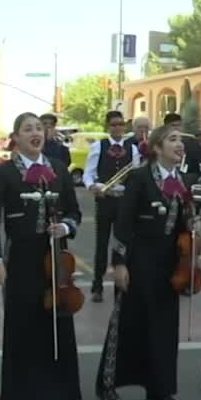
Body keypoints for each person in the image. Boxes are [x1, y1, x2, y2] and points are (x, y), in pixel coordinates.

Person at [0, 112, 83, 400]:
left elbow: (75, 213)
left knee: (54, 323)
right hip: (21, 258)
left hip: (55, 258)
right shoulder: (6, 172)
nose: (35, 133)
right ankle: (22, 399)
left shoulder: (59, 170)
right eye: (28, 130)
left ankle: (53, 396)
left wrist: (65, 228)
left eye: (39, 128)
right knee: (23, 325)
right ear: (17, 137)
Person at [97, 125, 191, 400]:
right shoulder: (140, 178)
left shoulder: (181, 181)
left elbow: (182, 224)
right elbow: (124, 223)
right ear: (157, 148)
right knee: (128, 322)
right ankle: (108, 384)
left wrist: (191, 229)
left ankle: (160, 386)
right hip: (139, 259)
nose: (179, 145)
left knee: (164, 325)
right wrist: (120, 263)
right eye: (172, 140)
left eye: (180, 140)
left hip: (168, 264)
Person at [83, 111, 142, 302]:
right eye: (114, 124)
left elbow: (135, 174)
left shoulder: (132, 149)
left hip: (124, 202)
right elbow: (88, 174)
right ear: (108, 126)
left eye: (121, 124)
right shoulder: (98, 146)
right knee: (101, 244)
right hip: (105, 200)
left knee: (121, 243)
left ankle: (120, 284)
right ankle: (97, 285)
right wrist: (95, 186)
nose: (117, 127)